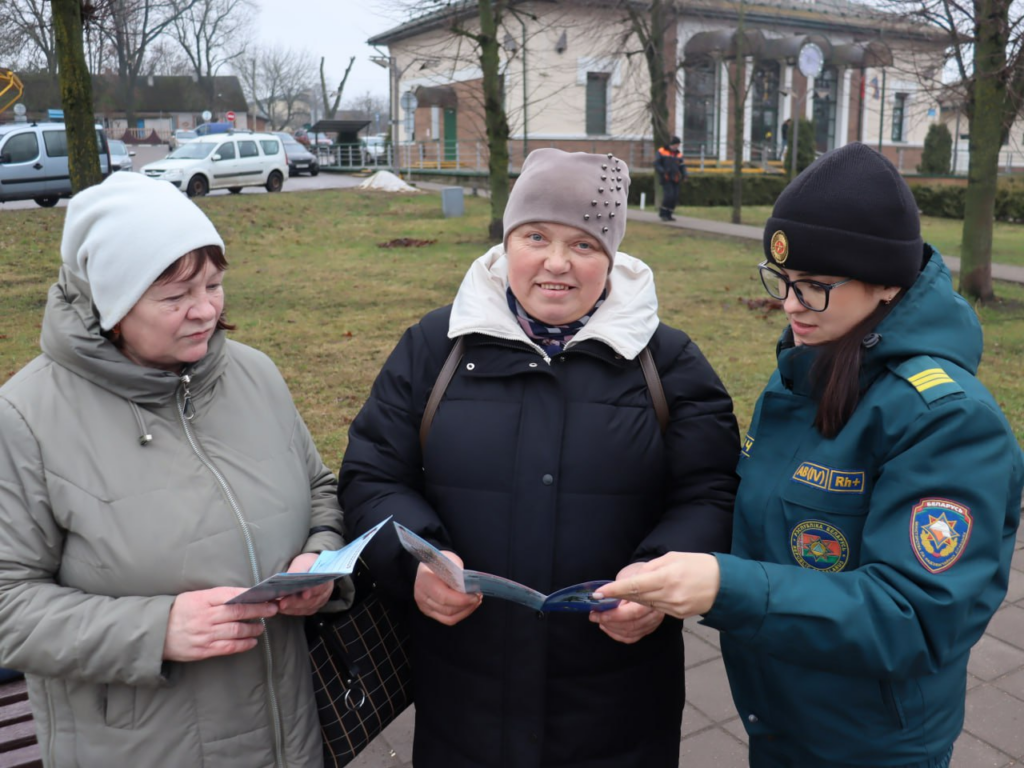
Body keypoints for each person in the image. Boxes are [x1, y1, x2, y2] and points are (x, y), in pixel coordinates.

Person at [597, 143, 1024, 768]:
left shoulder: (947, 421)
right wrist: (663, 584)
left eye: (817, 287)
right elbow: (771, 527)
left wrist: (723, 586)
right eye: (784, 283)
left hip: (868, 742)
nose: (791, 305)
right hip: (782, 718)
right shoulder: (805, 371)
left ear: (886, 284)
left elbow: (913, 616)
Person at [339, 148, 739, 768]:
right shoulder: (433, 349)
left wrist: (656, 587)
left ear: (611, 256)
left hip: (617, 699)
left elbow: (711, 492)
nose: (556, 263)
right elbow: (372, 474)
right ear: (506, 243)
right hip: (464, 695)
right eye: (535, 236)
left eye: (583, 244)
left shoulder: (671, 364)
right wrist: (414, 561)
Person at [0, 172, 353, 767]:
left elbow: (318, 488)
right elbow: (9, 604)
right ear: (111, 306)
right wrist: (155, 630)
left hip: (287, 737)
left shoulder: (254, 374)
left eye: (214, 284)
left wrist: (320, 559)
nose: (206, 310)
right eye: (173, 297)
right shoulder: (27, 419)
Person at [654, 135, 687, 221]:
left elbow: (682, 166)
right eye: (676, 144)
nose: (677, 146)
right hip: (666, 177)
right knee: (669, 196)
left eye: (678, 145)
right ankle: (663, 213)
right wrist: (662, 171)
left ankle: (669, 214)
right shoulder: (662, 151)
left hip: (675, 178)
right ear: (672, 144)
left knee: (674, 197)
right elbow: (657, 164)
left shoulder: (678, 154)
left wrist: (685, 175)